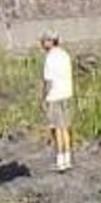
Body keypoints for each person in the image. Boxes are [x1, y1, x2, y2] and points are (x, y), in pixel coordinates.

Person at [40, 30, 73, 172]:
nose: (42, 44)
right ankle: (67, 159)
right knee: (65, 128)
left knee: (56, 129)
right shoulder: (65, 55)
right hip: (67, 95)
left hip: (55, 96)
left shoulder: (50, 58)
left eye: (44, 41)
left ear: (49, 42)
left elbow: (48, 82)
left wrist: (43, 98)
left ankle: (60, 162)